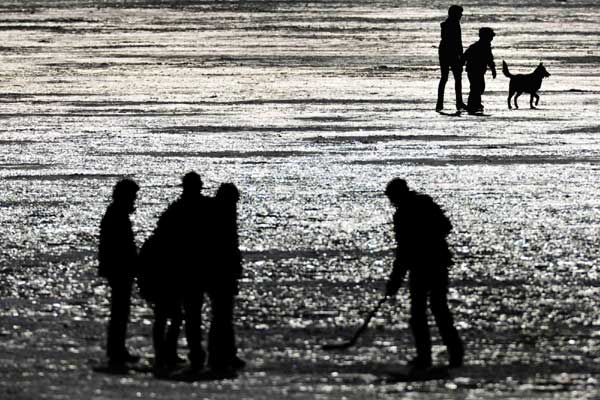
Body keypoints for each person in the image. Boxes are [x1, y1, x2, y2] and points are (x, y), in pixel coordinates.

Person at [384, 178, 463, 371]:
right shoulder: (423, 204)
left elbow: (404, 250)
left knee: (427, 312)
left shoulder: (405, 213)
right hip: (432, 264)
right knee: (432, 310)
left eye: (392, 197)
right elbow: (445, 227)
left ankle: (433, 356)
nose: (391, 201)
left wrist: (395, 279)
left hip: (427, 265)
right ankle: (444, 355)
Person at [151, 171, 211, 376]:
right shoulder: (204, 209)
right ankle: (187, 353)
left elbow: (161, 237)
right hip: (190, 270)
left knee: (177, 315)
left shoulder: (176, 210)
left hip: (179, 270)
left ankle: (170, 353)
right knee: (187, 316)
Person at [98, 178, 140, 370]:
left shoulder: (116, 213)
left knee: (120, 311)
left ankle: (117, 349)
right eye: (132, 196)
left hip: (118, 268)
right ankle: (116, 350)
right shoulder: (117, 215)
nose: (134, 200)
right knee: (120, 311)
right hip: (119, 269)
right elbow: (120, 246)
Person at [206, 183, 246, 374]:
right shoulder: (223, 218)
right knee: (221, 316)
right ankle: (218, 355)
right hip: (220, 274)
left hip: (222, 273)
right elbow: (227, 248)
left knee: (223, 316)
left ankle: (226, 353)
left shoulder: (220, 215)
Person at [436, 5, 467, 112]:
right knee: (456, 78)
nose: (461, 15)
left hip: (444, 52)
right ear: (455, 14)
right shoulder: (453, 24)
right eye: (460, 13)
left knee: (445, 78)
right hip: (451, 53)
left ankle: (440, 103)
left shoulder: (446, 24)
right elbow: (457, 41)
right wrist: (461, 55)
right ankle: (458, 102)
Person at [462, 27, 497, 114]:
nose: (491, 38)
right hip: (474, 70)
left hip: (476, 70)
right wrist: (493, 69)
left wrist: (493, 69)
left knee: (478, 87)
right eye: (490, 36)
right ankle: (473, 104)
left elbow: (489, 59)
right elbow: (489, 59)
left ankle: (475, 103)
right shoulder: (479, 46)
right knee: (477, 87)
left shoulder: (479, 46)